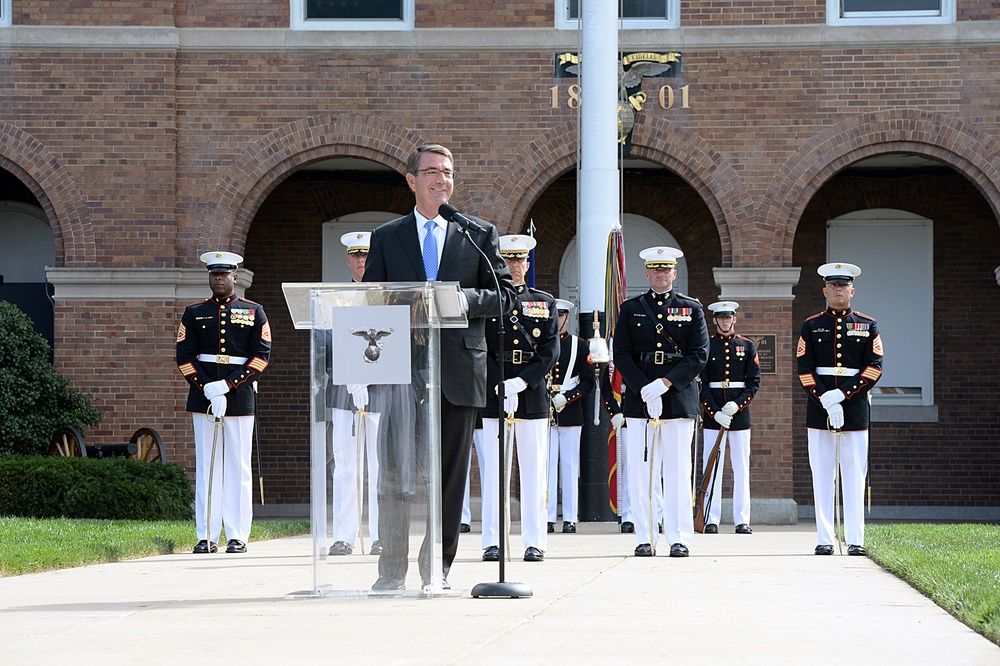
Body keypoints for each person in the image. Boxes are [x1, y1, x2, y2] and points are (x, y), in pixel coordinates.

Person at [362, 144, 516, 589]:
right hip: (400, 371)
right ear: (411, 180)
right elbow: (372, 295)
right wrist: (401, 302)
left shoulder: (476, 234)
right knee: (393, 474)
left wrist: (463, 299)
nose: (440, 180)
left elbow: (505, 297)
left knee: (449, 478)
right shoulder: (388, 236)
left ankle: (437, 570)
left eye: (447, 173)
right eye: (431, 172)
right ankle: (391, 572)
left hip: (458, 371)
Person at [612, 246, 708, 557]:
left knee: (678, 471)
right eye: (655, 270)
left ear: (674, 274)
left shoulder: (691, 308)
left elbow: (699, 355)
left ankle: (679, 537)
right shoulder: (630, 309)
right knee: (642, 473)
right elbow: (622, 354)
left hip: (678, 397)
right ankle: (646, 535)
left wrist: (665, 383)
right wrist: (644, 388)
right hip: (641, 399)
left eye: (666, 270)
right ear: (647, 274)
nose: (661, 275)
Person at [177, 251, 271, 554]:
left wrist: (228, 386)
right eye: (214, 274)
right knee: (207, 466)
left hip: (240, 396)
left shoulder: (254, 311)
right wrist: (208, 389)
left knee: (238, 466)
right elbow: (184, 357)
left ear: (235, 277)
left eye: (224, 274)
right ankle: (206, 534)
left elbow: (261, 357)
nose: (219, 279)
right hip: (204, 396)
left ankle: (237, 534)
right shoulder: (193, 312)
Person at [479, 235, 559, 563]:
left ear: (528, 264)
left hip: (532, 395)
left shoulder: (544, 301)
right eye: (509, 261)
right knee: (494, 472)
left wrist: (522, 382)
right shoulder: (489, 300)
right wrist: (501, 381)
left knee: (533, 471)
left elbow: (550, 349)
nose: (515, 266)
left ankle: (534, 540)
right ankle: (492, 541)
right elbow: (479, 345)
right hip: (495, 392)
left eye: (520, 261)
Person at [797, 263, 883, 556]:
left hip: (855, 407)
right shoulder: (811, 325)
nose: (838, 290)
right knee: (821, 474)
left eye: (843, 286)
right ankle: (824, 537)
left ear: (852, 290)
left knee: (854, 475)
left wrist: (842, 396)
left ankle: (856, 539)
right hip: (819, 409)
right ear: (824, 290)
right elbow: (804, 369)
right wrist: (825, 398)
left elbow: (874, 368)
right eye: (832, 285)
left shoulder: (867, 324)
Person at [327, 232, 381, 557]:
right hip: (343, 393)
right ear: (348, 260)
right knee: (345, 465)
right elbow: (325, 341)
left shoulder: (385, 296)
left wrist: (368, 378)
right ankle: (345, 535)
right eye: (356, 256)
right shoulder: (336, 297)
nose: (361, 262)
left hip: (378, 392)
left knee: (377, 465)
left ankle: (380, 535)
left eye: (366, 256)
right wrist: (350, 377)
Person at [699, 301, 761, 535]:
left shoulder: (746, 346)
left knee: (741, 468)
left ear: (734, 319)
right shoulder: (707, 346)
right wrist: (714, 411)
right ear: (714, 320)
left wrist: (737, 404)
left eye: (729, 317)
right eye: (721, 318)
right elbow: (701, 383)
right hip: (713, 414)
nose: (725, 321)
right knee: (712, 466)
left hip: (739, 414)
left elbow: (753, 382)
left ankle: (742, 520)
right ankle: (710, 518)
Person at [546, 298, 596, 534]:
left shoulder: (580, 346)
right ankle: (546, 516)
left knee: (569, 464)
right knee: (547, 466)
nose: (557, 320)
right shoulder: (542, 343)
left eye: (561, 316)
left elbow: (588, 382)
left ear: (568, 317)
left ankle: (569, 517)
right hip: (545, 410)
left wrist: (567, 397)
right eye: (554, 315)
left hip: (570, 411)